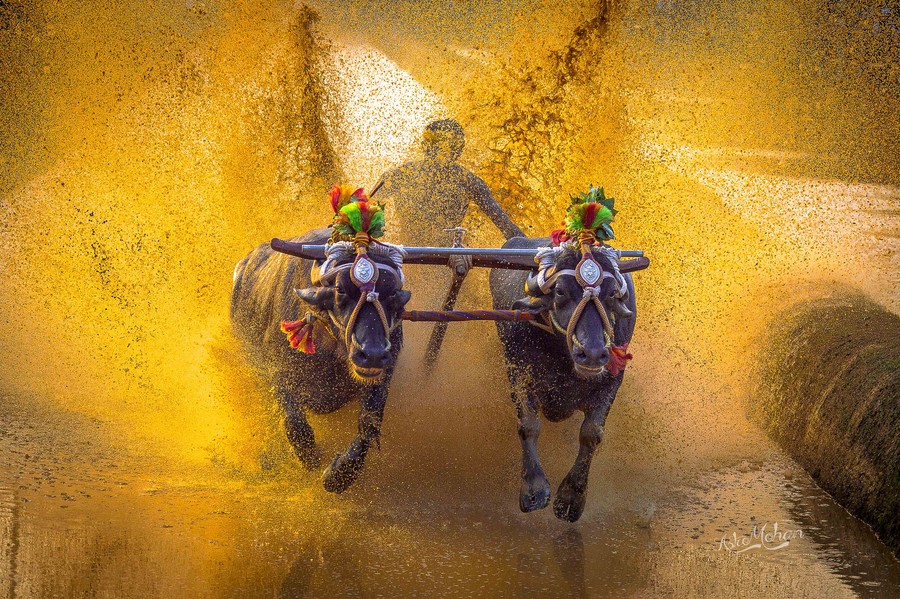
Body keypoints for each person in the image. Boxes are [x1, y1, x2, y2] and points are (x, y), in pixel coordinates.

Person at [374, 119, 524, 274]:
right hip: (405, 260)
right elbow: (362, 209)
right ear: (425, 147)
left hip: (448, 265)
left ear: (458, 151)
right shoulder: (400, 176)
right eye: (438, 147)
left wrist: (542, 249)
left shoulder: (469, 182)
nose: (442, 154)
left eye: (450, 148)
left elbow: (508, 229)